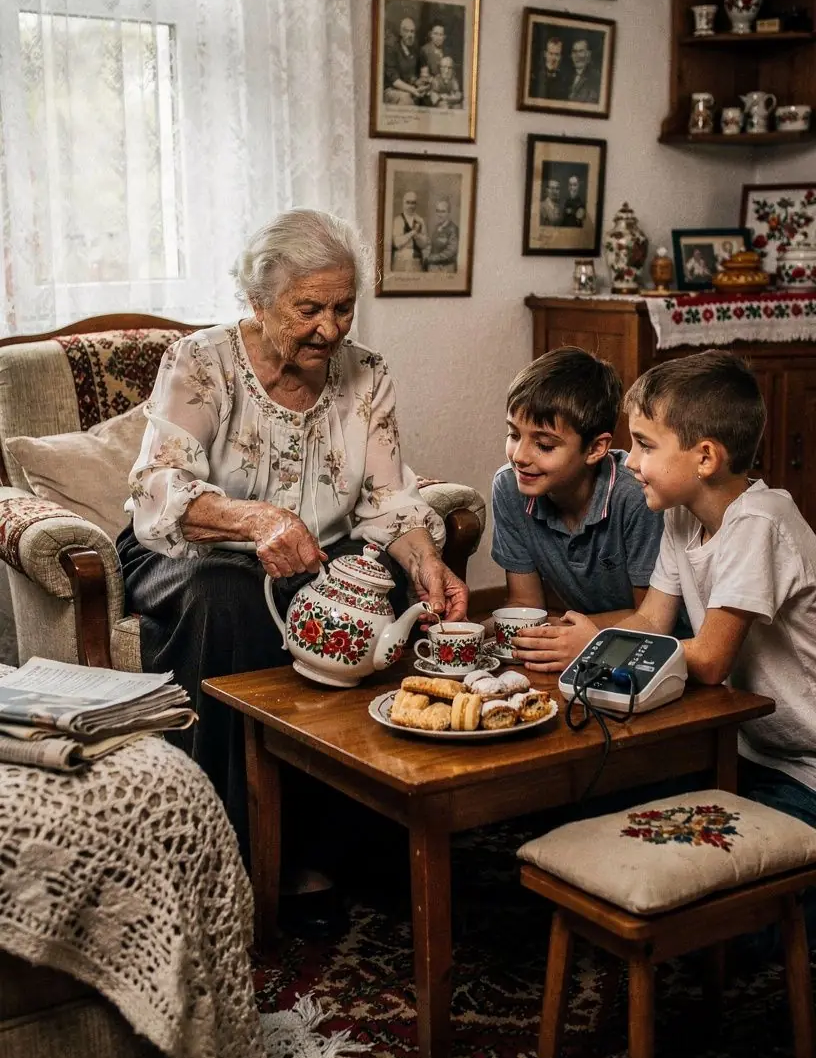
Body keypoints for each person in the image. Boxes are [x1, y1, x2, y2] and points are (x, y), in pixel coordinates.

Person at [117, 209, 467, 870]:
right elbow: (159, 488)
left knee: (377, 591)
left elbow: (388, 500)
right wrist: (257, 521)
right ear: (258, 298)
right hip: (190, 549)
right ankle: (226, 847)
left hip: (316, 554)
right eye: (309, 308)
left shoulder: (366, 374)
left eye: (343, 308)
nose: (330, 329)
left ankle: (342, 841)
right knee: (226, 592)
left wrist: (425, 559)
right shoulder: (199, 360)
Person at [610, 350, 816, 850]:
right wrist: (594, 646)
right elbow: (652, 618)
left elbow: (708, 660)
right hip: (748, 745)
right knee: (614, 801)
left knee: (720, 860)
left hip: (806, 767)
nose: (631, 461)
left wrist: (608, 656)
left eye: (644, 445)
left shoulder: (758, 522)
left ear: (705, 457)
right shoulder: (682, 516)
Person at [491, 348, 664, 673]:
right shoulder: (509, 486)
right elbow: (526, 605)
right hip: (586, 641)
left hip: (656, 654)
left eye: (544, 445)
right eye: (514, 434)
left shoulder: (635, 496)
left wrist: (578, 635)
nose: (519, 456)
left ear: (596, 448)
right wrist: (467, 629)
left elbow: (652, 619)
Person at [383, 15, 424, 105]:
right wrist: (413, 90)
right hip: (391, 90)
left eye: (412, 32)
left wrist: (419, 83)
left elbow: (410, 76)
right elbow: (394, 81)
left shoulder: (414, 50)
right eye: (406, 31)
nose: (410, 35)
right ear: (401, 32)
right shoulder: (392, 49)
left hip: (407, 88)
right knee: (406, 99)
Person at [391, 191, 430, 271]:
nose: (410, 206)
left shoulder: (420, 220)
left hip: (416, 261)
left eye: (413, 203)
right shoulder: (398, 220)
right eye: (408, 202)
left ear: (416, 205)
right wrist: (412, 232)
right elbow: (397, 243)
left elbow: (424, 244)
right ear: (403, 203)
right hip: (401, 259)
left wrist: (417, 236)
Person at [424, 197, 459, 272]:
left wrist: (431, 258)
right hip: (433, 267)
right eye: (438, 211)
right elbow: (432, 245)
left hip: (446, 268)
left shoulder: (453, 229)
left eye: (443, 211)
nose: (439, 214)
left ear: (449, 213)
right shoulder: (436, 227)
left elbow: (450, 252)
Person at [566, 38, 600, 104]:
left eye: (581, 51)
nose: (577, 56)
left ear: (588, 54)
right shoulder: (566, 77)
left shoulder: (596, 78)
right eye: (574, 52)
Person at [534, 36, 566, 101]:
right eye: (551, 54)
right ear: (545, 54)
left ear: (561, 57)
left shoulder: (564, 81)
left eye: (557, 54)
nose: (553, 58)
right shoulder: (535, 77)